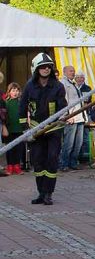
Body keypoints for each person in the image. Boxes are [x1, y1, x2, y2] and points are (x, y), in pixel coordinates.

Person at [20, 53, 67, 205]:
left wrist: (62, 117)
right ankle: (41, 192)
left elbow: (63, 106)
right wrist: (25, 128)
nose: (46, 69)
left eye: (48, 67)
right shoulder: (29, 86)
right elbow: (22, 108)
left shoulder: (58, 86)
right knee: (38, 162)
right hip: (35, 130)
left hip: (53, 129)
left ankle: (48, 193)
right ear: (36, 69)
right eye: (42, 67)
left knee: (52, 159)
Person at [58, 65, 86, 171]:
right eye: (70, 71)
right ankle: (64, 164)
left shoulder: (74, 84)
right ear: (64, 72)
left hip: (80, 117)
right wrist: (66, 116)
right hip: (71, 117)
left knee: (78, 143)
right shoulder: (63, 84)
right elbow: (63, 101)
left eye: (74, 71)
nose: (73, 73)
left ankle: (73, 163)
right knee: (68, 143)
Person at [3, 83, 26, 174]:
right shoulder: (6, 103)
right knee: (9, 149)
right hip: (9, 130)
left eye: (17, 90)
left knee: (18, 148)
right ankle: (10, 166)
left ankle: (17, 166)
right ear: (9, 92)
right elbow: (4, 116)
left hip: (19, 129)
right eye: (13, 90)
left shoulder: (21, 103)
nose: (15, 92)